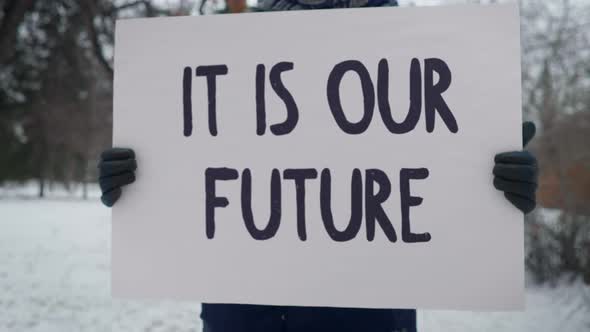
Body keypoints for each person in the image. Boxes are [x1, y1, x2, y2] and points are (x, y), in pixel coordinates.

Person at [98, 1, 539, 331]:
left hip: (368, 318)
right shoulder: (222, 45)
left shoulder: (419, 46)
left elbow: (434, 193)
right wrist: (137, 181)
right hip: (243, 315)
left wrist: (496, 187)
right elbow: (202, 178)